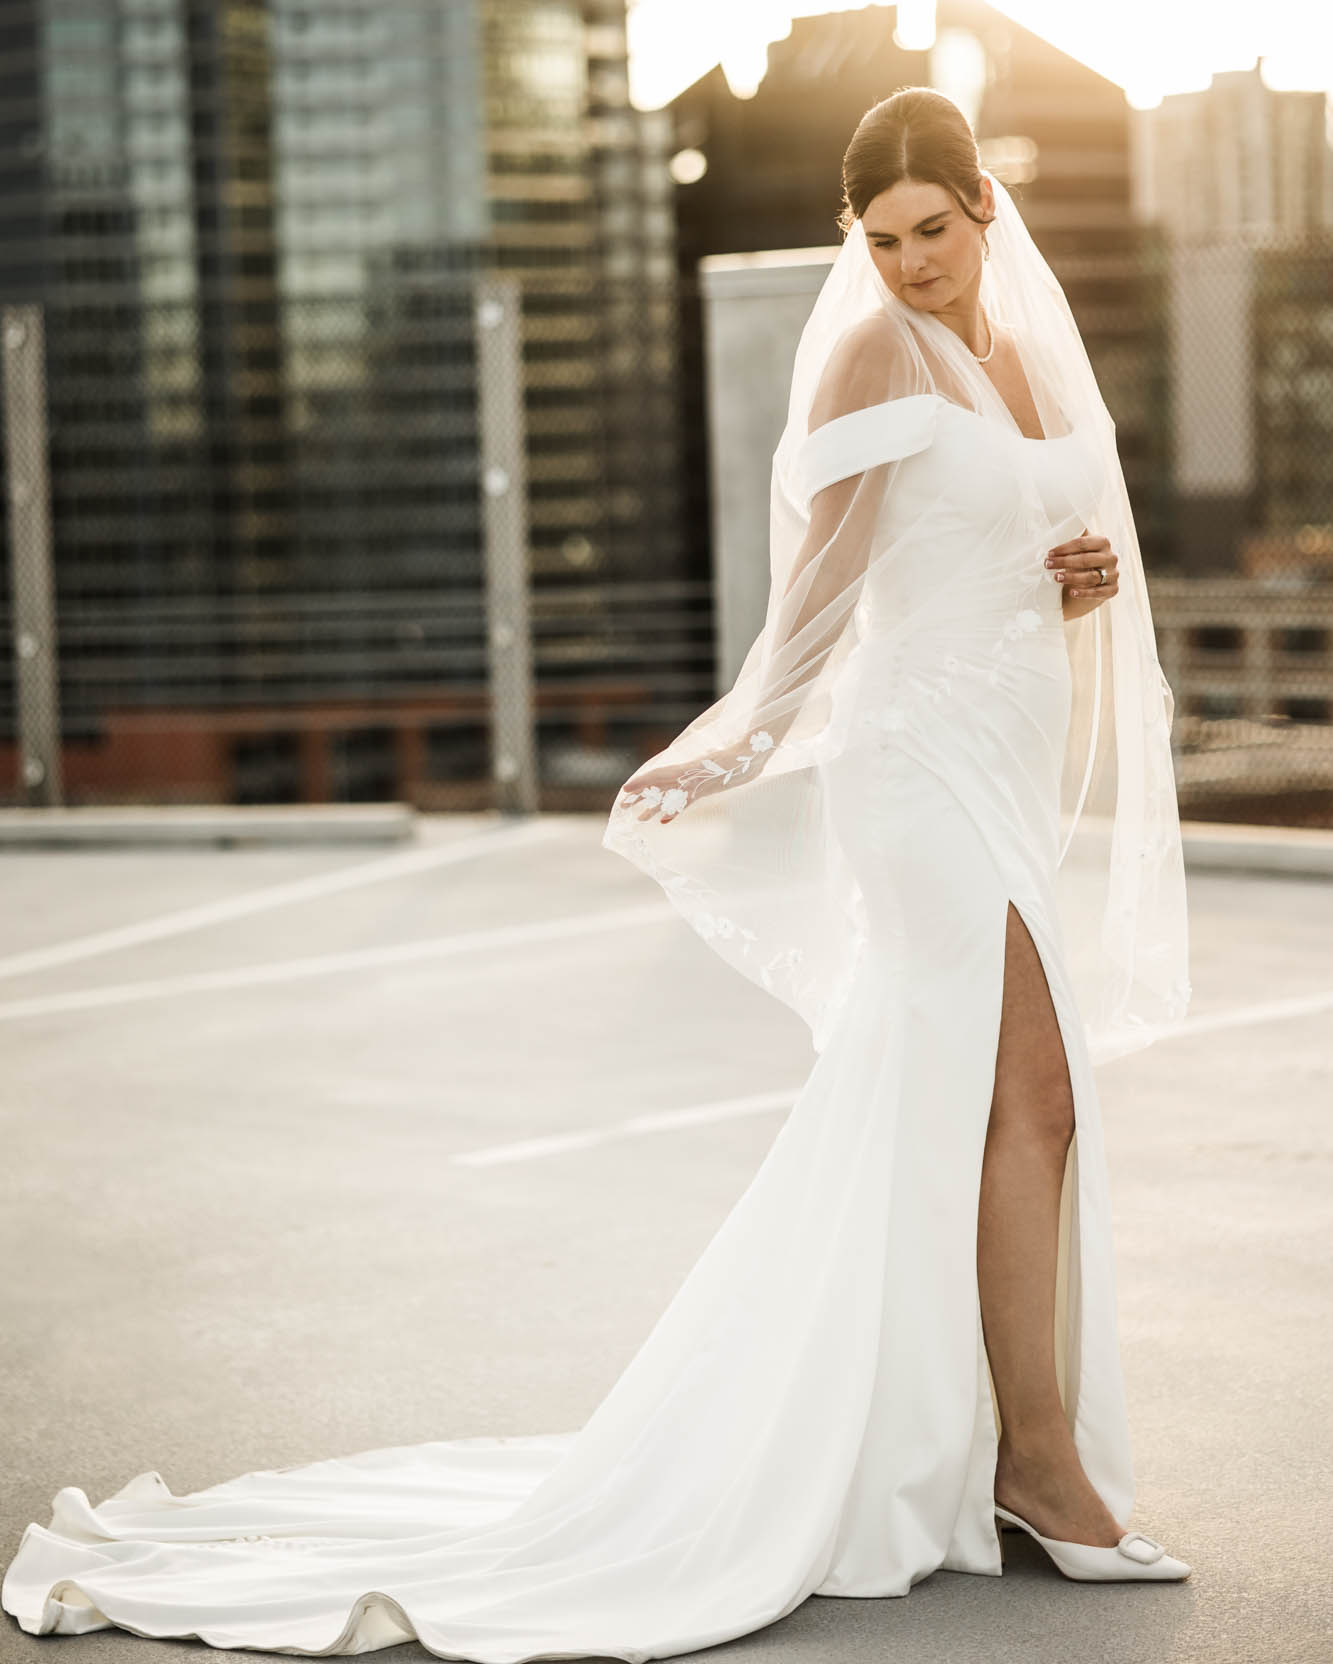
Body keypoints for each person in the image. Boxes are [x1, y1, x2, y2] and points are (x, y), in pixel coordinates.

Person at [2, 88, 1193, 1661]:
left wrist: (1075, 579)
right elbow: (825, 582)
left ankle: (965, 1442)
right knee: (1027, 1092)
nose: (911, 262)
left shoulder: (1029, 353)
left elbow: (1017, 549)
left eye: (930, 229)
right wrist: (737, 742)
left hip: (1005, 751)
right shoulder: (868, 352)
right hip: (914, 769)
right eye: (881, 239)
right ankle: (1034, 1465)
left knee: (977, 1107)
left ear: (983, 206)